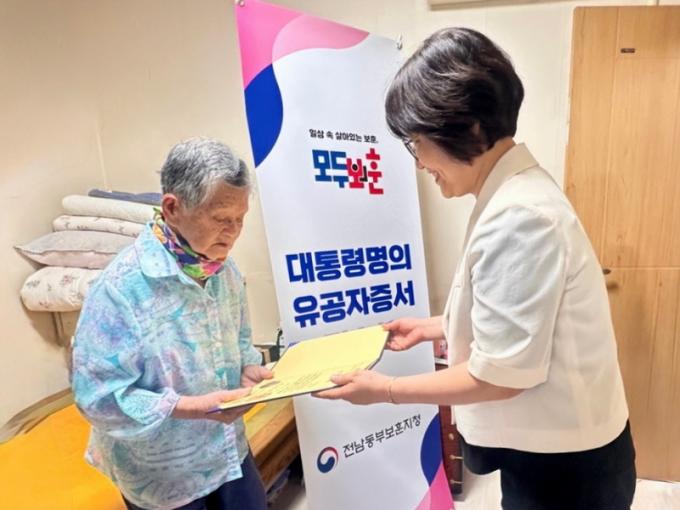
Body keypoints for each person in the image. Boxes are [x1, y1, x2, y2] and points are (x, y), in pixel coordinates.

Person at [316, 28, 636, 510]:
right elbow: (514, 314)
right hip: (555, 450)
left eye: (416, 142)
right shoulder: (513, 193)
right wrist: (433, 327)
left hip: (566, 469)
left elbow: (500, 375)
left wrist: (386, 390)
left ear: (468, 128)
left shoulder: (520, 216)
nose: (419, 162)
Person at [71, 138, 272, 510]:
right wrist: (187, 407)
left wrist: (248, 369)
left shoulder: (224, 271)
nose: (233, 232)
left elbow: (241, 339)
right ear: (173, 208)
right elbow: (97, 399)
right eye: (221, 219)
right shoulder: (120, 289)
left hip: (227, 451)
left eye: (240, 219)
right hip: (162, 474)